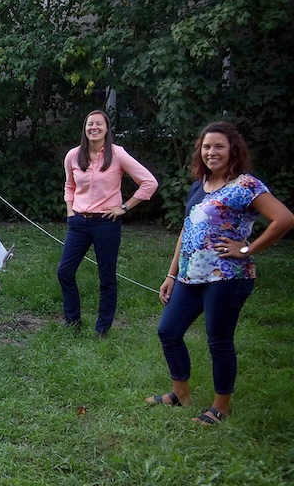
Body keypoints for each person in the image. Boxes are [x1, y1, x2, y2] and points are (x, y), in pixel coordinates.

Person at [146, 121, 293, 425]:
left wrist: (246, 249)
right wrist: (171, 275)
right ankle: (180, 394)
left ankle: (220, 407)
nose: (212, 152)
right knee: (168, 331)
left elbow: (284, 219)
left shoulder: (245, 186)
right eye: (207, 147)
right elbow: (186, 232)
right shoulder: (199, 185)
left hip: (228, 278)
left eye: (219, 146)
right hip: (191, 276)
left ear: (232, 150)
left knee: (219, 339)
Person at [57, 110, 158, 337]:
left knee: (107, 277)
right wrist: (70, 212)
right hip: (79, 223)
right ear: (85, 128)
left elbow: (149, 183)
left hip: (106, 223)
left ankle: (102, 329)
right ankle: (72, 322)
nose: (94, 127)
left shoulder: (117, 154)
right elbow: (69, 186)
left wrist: (124, 208)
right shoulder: (73, 155)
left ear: (106, 128)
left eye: (99, 124)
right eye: (90, 123)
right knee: (64, 272)